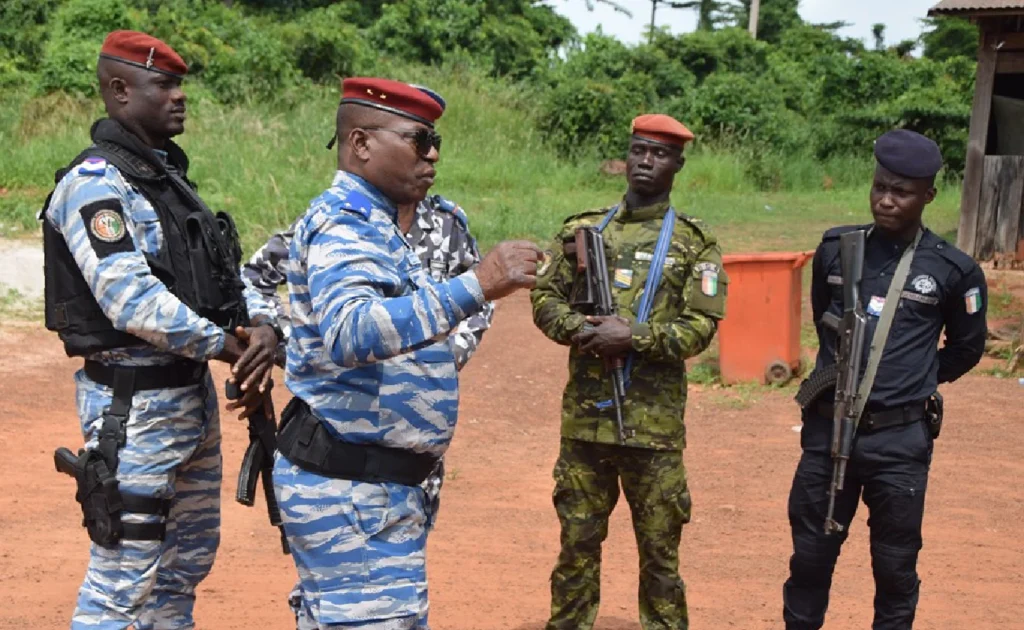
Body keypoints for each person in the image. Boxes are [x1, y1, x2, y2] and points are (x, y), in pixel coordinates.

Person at [272, 76, 540, 629]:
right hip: (354, 492)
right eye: (418, 139)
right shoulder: (346, 223)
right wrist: (479, 283)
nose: (433, 152)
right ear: (362, 144)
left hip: (372, 491)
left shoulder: (377, 222)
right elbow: (351, 331)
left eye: (434, 138)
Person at [41, 31, 281, 629]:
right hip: (135, 406)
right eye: (165, 84)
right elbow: (132, 301)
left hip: (189, 399)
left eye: (180, 85)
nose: (179, 97)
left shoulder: (167, 180)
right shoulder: (96, 184)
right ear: (121, 92)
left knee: (185, 567)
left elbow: (220, 276)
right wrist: (230, 348)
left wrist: (256, 327)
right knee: (121, 581)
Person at [782, 129, 988, 630]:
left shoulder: (953, 270)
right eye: (880, 186)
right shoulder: (836, 250)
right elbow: (822, 320)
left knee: (895, 568)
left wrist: (914, 379)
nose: (886, 200)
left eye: (902, 191)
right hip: (829, 434)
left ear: (928, 196)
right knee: (809, 561)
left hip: (899, 441)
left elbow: (966, 347)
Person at [530, 113, 728, 630]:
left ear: (678, 164)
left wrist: (633, 337)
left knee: (660, 559)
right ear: (627, 155)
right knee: (576, 549)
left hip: (653, 433)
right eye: (639, 150)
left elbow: (700, 328)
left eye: (659, 154)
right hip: (586, 427)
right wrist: (582, 330)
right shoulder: (583, 229)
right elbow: (543, 299)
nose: (646, 161)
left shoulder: (694, 243)